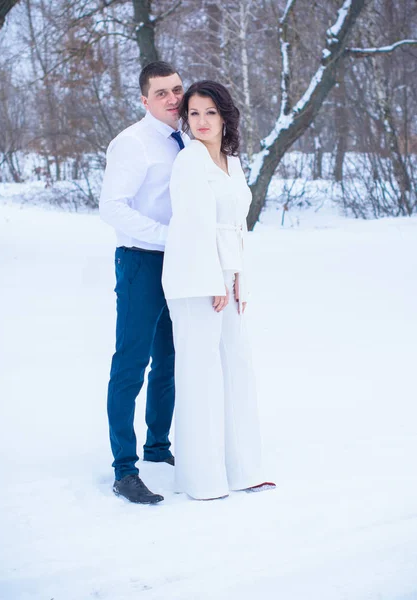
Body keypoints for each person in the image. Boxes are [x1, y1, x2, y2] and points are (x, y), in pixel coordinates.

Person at [162, 81, 275, 500]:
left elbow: (237, 225)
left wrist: (237, 276)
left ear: (225, 116)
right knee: (199, 372)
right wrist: (213, 280)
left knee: (237, 366)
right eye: (193, 113)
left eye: (210, 112)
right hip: (196, 278)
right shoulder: (189, 161)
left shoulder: (232, 161)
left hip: (227, 276)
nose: (202, 121)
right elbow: (192, 226)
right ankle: (201, 478)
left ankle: (243, 468)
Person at [99, 61, 188, 505]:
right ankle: (124, 469)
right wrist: (169, 239)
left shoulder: (187, 139)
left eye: (177, 89)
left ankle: (158, 447)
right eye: (162, 93)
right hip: (140, 262)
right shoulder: (132, 144)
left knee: (169, 360)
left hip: (180, 266)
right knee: (130, 364)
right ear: (144, 100)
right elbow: (112, 206)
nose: (174, 99)